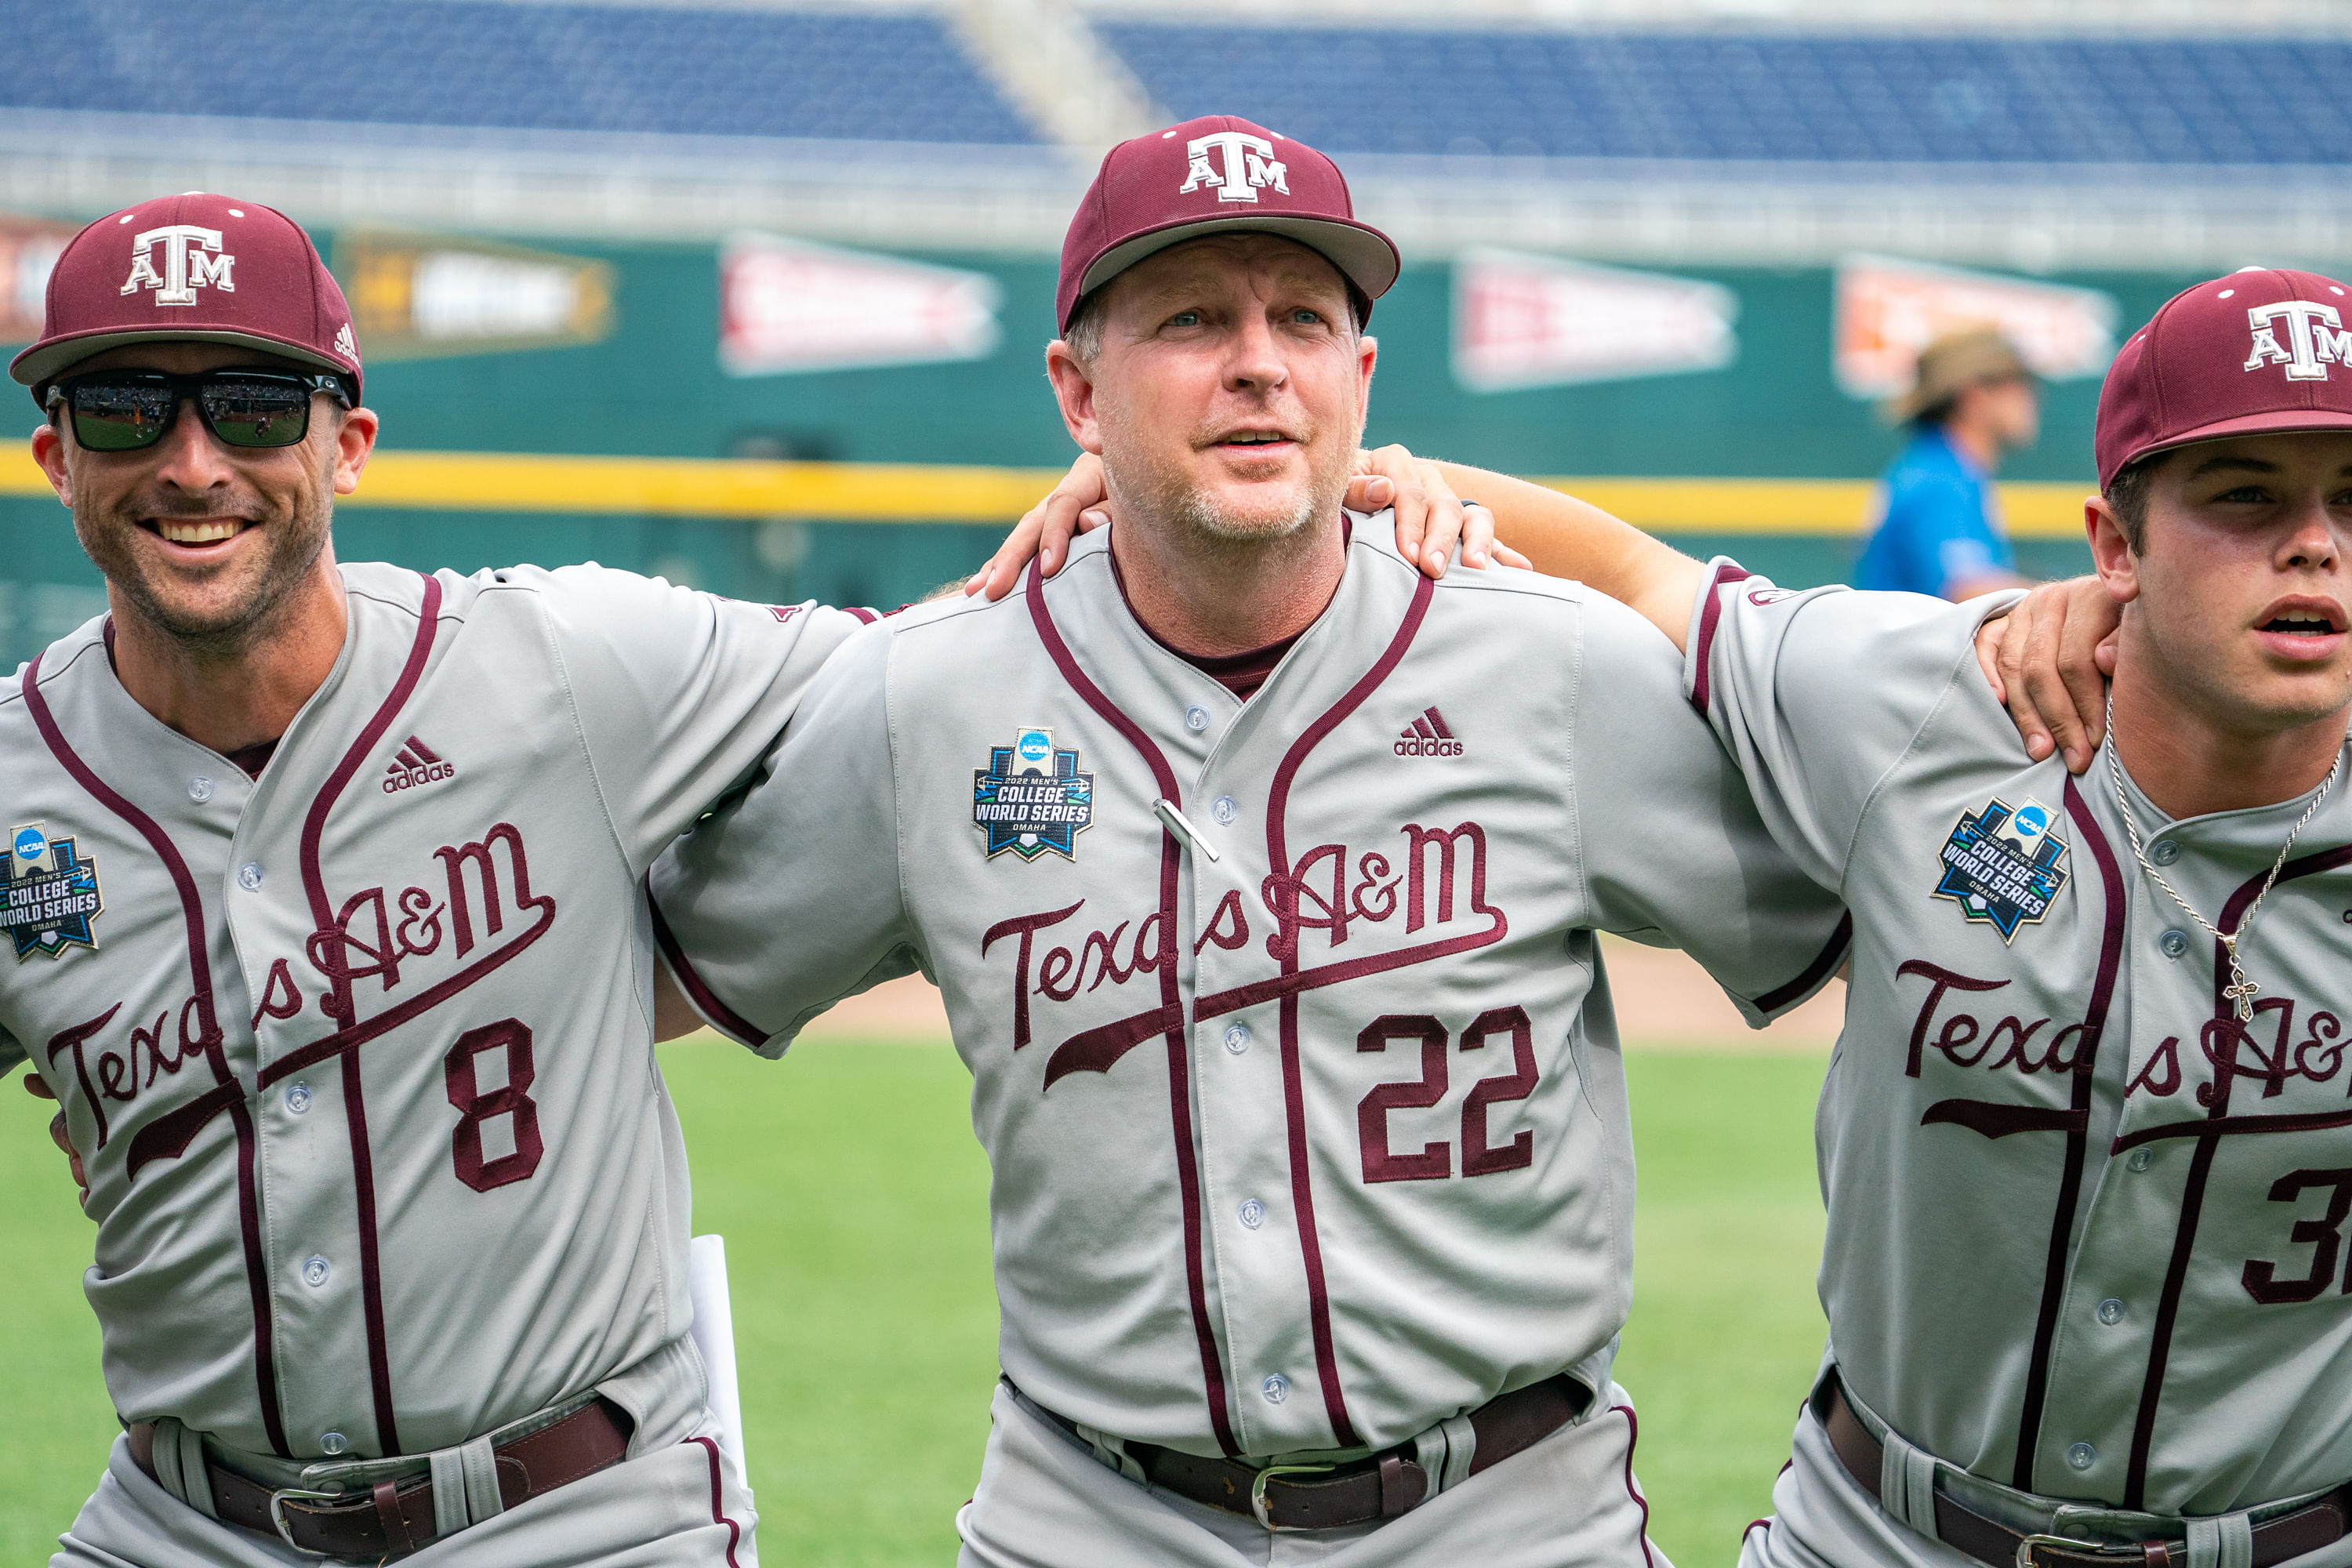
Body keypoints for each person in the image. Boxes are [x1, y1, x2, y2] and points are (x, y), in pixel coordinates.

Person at [647, 114, 1854, 1568]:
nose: (1258, 359)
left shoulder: (1551, 668)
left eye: (1303, 316)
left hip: (1509, 1512)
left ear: (1360, 376)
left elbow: (1879, 918)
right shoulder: (934, 700)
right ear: (1077, 392)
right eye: (1190, 320)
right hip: (1088, 1514)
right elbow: (644, 976)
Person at [0, 190, 1200, 1566]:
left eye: (258, 405)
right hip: (180, 1523)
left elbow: (918, 682)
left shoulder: (557, 665)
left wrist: (1147, 513)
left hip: (577, 1514)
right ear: (54, 457)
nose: (193, 461)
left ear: (350, 448)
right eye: (126, 409)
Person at [1364, 267, 2352, 1568]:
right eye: (2245, 496)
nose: (2315, 543)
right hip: (1882, 1532)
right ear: (2116, 545)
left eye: (2351, 500)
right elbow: (1633, 573)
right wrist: (1311, 487)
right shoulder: (1914, 704)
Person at [1854, 326, 2042, 601]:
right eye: (2018, 383)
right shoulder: (1940, 481)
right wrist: (2075, 599)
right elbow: (1967, 591)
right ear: (1976, 394)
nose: (2031, 397)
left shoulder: (1940, 469)